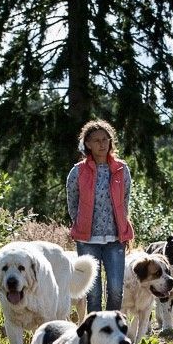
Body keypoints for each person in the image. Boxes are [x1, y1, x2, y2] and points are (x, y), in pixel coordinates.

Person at [66, 119, 134, 312]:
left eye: (105, 139)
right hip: (87, 240)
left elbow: (125, 201)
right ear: (87, 144)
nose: (102, 144)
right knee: (93, 293)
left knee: (115, 290)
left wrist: (122, 227)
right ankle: (95, 336)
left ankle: (113, 332)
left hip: (115, 239)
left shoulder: (122, 169)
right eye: (96, 140)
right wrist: (80, 224)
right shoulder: (77, 171)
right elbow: (72, 202)